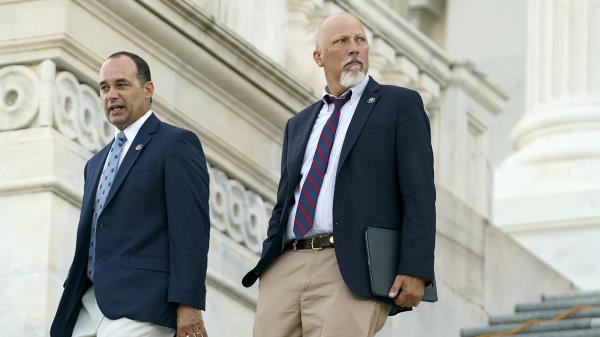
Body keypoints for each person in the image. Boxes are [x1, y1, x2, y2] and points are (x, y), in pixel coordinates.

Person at [242, 13, 436, 337]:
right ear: (319, 57)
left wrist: (415, 267)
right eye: (341, 42)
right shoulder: (299, 123)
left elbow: (419, 193)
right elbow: (285, 201)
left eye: (360, 40)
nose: (354, 49)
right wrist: (269, 261)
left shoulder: (399, 105)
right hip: (287, 263)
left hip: (349, 267)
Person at [50, 51, 210, 337]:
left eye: (121, 85)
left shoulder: (176, 144)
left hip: (144, 305)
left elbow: (191, 231)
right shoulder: (95, 163)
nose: (111, 95)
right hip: (88, 306)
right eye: (104, 87)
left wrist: (188, 303)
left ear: (147, 90)